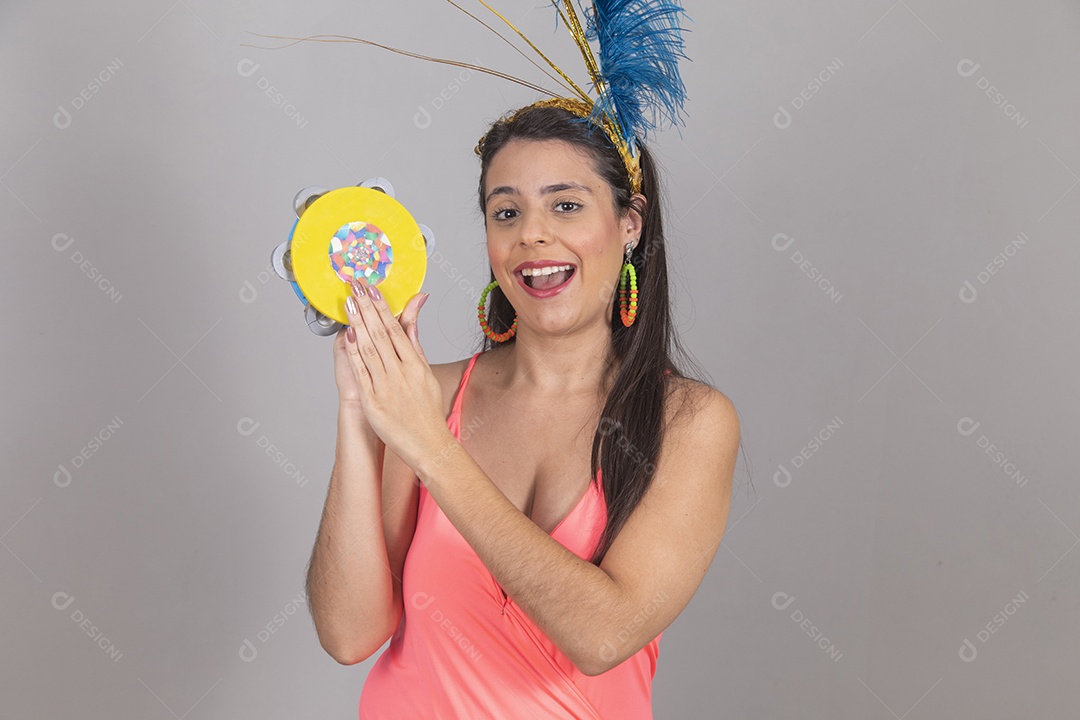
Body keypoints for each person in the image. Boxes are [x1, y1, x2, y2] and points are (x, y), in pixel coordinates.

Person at [304, 99, 741, 719]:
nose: (531, 234)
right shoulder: (427, 397)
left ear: (630, 223)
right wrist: (360, 408)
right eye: (506, 212)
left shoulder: (690, 422)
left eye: (566, 205)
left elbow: (601, 635)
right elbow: (349, 635)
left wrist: (431, 447)